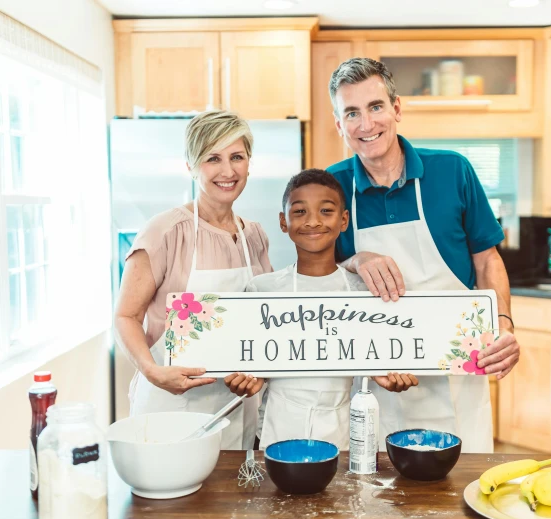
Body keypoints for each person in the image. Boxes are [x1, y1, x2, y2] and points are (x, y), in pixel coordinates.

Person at [326, 58, 522, 452]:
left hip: (457, 377)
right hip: (377, 379)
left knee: (461, 494)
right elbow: (317, 273)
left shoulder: (453, 171)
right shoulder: (330, 186)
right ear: (339, 125)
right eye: (352, 113)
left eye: (376, 107)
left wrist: (503, 323)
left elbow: (487, 260)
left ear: (396, 109)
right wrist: (356, 260)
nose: (366, 124)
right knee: (379, 500)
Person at [114, 110, 273, 450]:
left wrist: (259, 370)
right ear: (191, 165)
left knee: (231, 500)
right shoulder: (166, 231)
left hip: (236, 407)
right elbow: (125, 316)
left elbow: (264, 319)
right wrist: (152, 372)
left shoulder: (254, 236)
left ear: (249, 163)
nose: (227, 171)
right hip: (172, 404)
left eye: (237, 157)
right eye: (212, 158)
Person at [227, 169, 418, 450]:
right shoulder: (261, 290)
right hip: (274, 428)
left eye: (325, 211)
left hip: (341, 430)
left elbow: (373, 353)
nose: (313, 221)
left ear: (343, 221)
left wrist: (388, 374)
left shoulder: (365, 292)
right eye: (300, 211)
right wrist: (246, 378)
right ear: (283, 221)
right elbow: (257, 363)